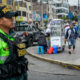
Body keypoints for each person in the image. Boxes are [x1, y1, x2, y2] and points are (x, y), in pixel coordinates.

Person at [0, 6, 28, 80]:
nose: (12, 19)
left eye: (12, 17)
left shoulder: (15, 36)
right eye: (9, 18)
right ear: (0, 21)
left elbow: (22, 59)